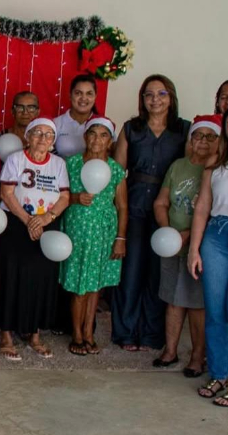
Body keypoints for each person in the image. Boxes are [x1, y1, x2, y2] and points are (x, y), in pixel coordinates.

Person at [112, 74, 191, 352]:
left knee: (159, 273)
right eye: (149, 94)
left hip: (168, 211)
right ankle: (125, 332)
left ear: (171, 98)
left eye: (161, 93)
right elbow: (117, 173)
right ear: (142, 99)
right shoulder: (131, 129)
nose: (155, 99)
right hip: (134, 205)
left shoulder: (183, 129)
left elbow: (190, 169)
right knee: (131, 271)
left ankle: (151, 334)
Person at [0, 118, 70, 360]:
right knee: (11, 276)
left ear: (53, 141)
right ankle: (6, 334)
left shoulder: (58, 164)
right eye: (37, 133)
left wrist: (46, 218)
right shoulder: (16, 159)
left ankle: (34, 334)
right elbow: (6, 193)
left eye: (48, 135)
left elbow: (65, 197)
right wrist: (29, 221)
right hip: (16, 224)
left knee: (41, 278)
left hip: (46, 224)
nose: (43, 138)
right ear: (27, 137)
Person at [153, 115, 221, 376]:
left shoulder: (217, 171)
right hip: (172, 244)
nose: (202, 141)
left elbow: (213, 212)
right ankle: (170, 351)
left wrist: (188, 236)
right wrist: (168, 231)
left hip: (201, 247)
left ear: (219, 141)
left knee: (196, 305)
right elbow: (161, 202)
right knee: (173, 299)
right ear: (190, 139)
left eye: (210, 137)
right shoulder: (178, 166)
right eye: (198, 135)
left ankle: (197, 356)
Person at [59, 118, 127, 356]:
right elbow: (59, 195)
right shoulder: (72, 164)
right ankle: (77, 334)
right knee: (79, 285)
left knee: (95, 286)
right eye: (93, 133)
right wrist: (76, 198)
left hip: (103, 232)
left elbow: (122, 206)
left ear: (110, 142)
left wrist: (120, 238)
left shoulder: (115, 169)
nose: (97, 139)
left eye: (103, 135)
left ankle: (89, 332)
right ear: (85, 137)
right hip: (77, 230)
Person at [188, 110, 228, 406]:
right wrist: (194, 249)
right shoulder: (216, 162)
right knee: (215, 310)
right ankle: (220, 374)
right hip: (216, 236)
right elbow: (203, 206)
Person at [53, 75, 99, 157]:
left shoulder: (103, 124)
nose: (83, 98)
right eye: (78, 93)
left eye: (89, 94)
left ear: (95, 97)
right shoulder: (56, 124)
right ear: (70, 96)